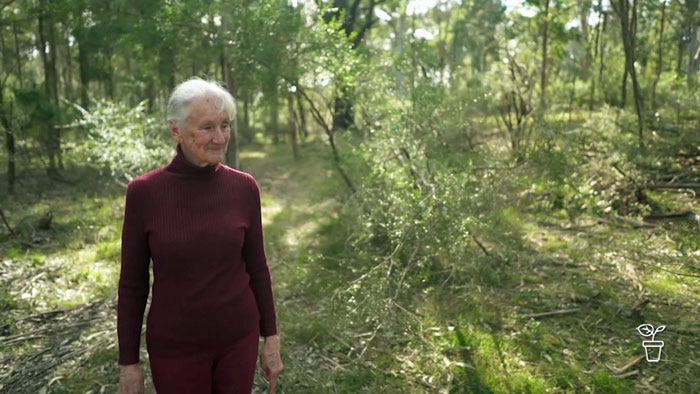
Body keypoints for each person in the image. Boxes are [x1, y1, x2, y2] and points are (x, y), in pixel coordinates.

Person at [117, 77, 282, 394]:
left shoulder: (244, 187)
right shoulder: (145, 193)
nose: (220, 138)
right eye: (207, 127)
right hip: (175, 347)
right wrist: (129, 366)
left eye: (225, 125)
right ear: (175, 130)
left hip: (238, 339)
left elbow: (258, 268)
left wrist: (271, 340)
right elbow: (132, 284)